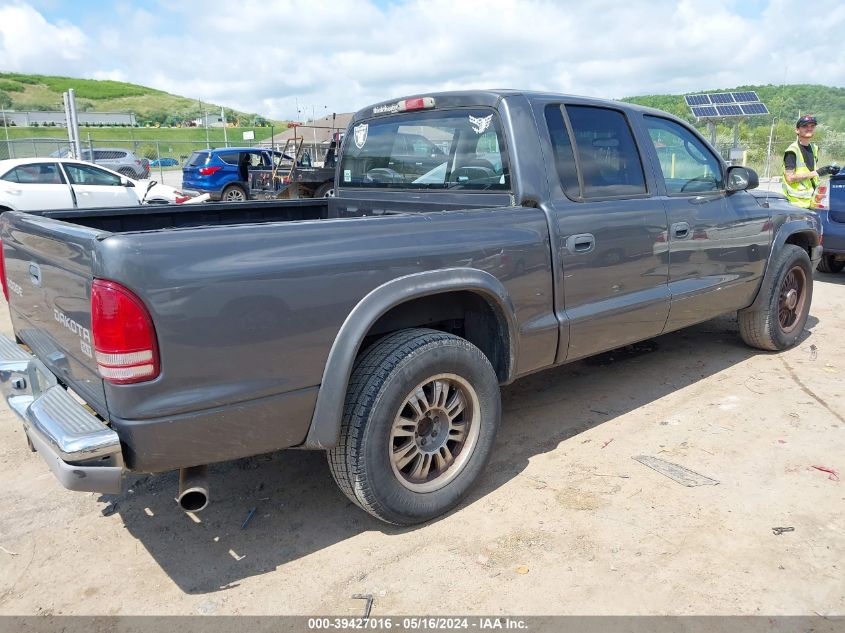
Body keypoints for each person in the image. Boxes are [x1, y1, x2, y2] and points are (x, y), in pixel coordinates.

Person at [782, 114, 839, 207]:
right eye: (805, 126)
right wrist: (819, 172)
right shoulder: (792, 151)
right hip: (795, 205)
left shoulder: (814, 148)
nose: (809, 128)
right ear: (797, 130)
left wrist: (827, 170)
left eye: (812, 126)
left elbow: (812, 173)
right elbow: (789, 178)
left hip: (811, 202)